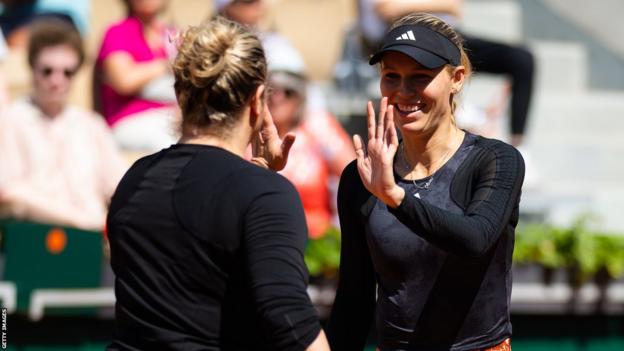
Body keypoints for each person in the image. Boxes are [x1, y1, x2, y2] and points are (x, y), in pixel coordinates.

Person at [106, 17, 330, 351]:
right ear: (257, 100)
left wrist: (258, 183)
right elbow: (289, 320)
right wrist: (262, 188)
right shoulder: (264, 194)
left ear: (181, 94)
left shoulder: (135, 178)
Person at [327, 13, 524, 351]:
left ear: (457, 78)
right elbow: (353, 299)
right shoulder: (362, 177)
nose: (404, 91)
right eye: (391, 76)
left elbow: (474, 238)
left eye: (420, 77)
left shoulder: (495, 160)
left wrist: (395, 196)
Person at [0, 18, 127, 231]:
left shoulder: (91, 125)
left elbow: (119, 187)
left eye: (67, 72)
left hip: (92, 242)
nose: (57, 81)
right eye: (48, 71)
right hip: (33, 239)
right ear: (33, 68)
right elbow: (8, 191)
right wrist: (79, 219)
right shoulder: (11, 119)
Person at [358, 0, 535, 149]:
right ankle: (461, 114)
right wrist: (440, 6)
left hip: (444, 35)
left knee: (522, 60)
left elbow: (454, 7)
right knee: (434, 63)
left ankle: (518, 147)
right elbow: (387, 9)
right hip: (397, 37)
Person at [264, 35, 355, 239]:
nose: (277, 97)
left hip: (318, 247)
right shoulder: (247, 133)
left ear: (302, 93)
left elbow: (355, 176)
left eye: (287, 90)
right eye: (270, 89)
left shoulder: (320, 127)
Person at [95, 0, 178, 151]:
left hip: (174, 115)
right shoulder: (118, 32)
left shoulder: (173, 35)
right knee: (167, 138)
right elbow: (124, 81)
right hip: (130, 120)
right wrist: (165, 65)